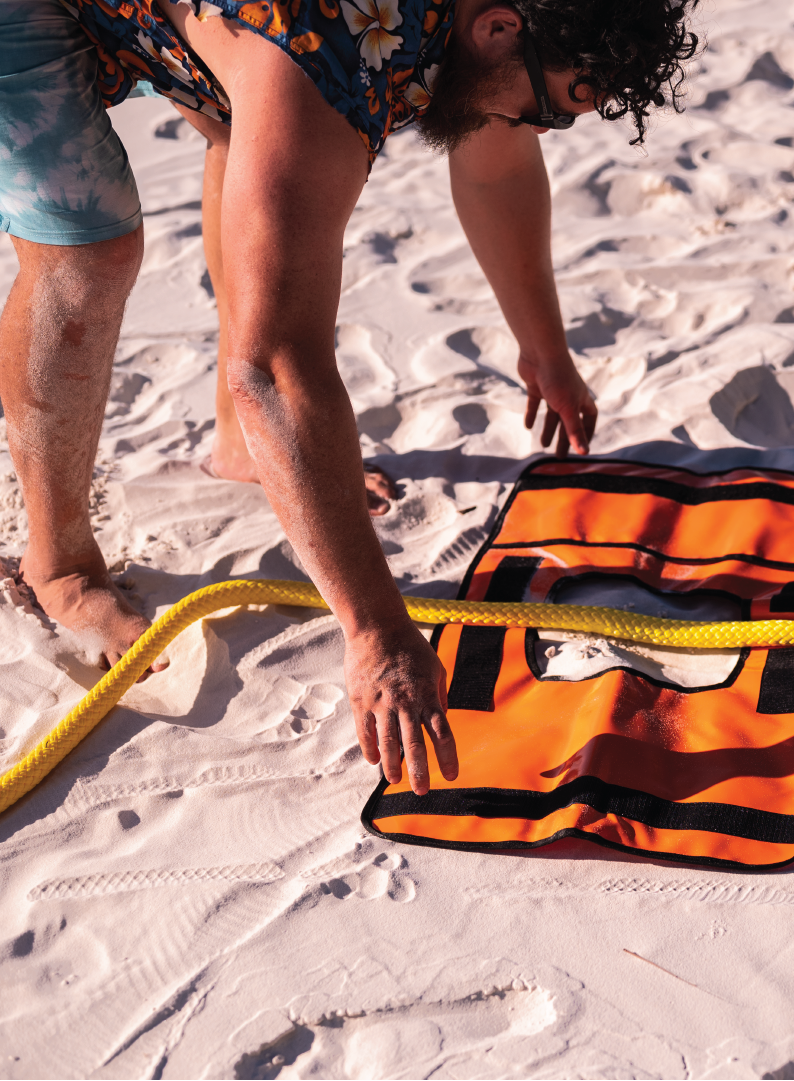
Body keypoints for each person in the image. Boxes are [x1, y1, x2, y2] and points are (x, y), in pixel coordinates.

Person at [0, 0, 698, 794]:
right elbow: (276, 367)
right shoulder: (314, 65)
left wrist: (542, 345)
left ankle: (240, 443)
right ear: (499, 28)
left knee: (253, 139)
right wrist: (377, 632)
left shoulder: (488, 31)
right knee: (89, 254)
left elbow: (495, 162)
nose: (537, 127)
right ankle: (58, 568)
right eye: (553, 107)